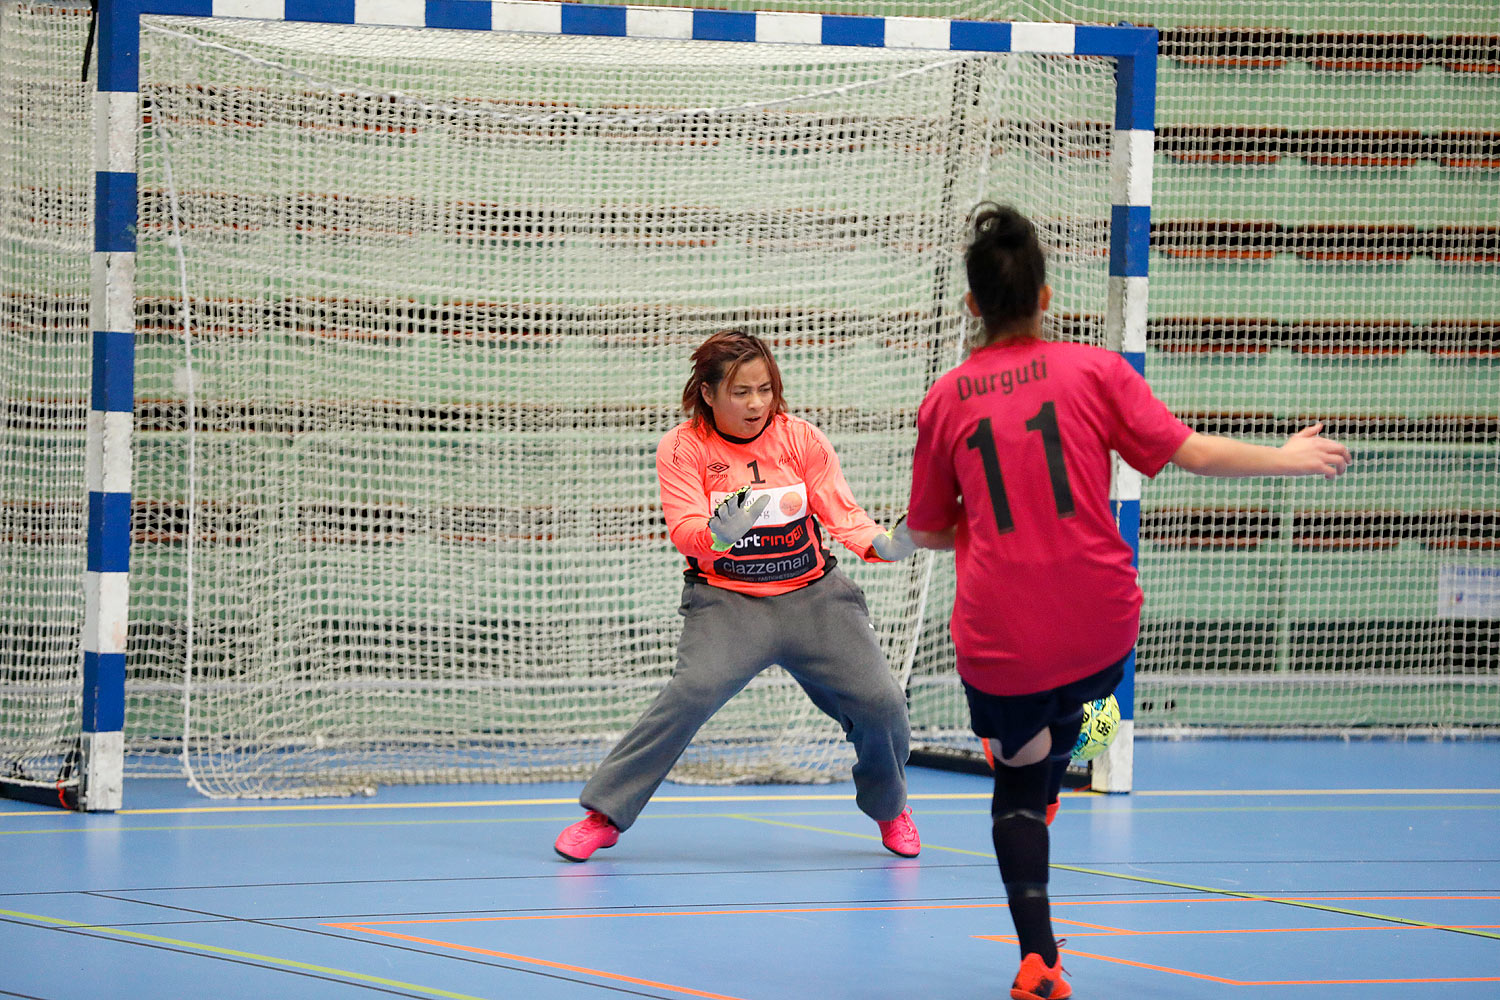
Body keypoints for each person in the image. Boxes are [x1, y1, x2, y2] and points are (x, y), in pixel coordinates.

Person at [904, 204, 1352, 1000]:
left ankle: (1038, 954)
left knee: (1016, 774)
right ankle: (1058, 763)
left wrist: (936, 528)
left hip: (1002, 635)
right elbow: (1191, 453)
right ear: (1047, 299)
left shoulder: (946, 401)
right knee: (1095, 709)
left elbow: (934, 531)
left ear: (972, 307)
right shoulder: (1096, 370)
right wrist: (1286, 457)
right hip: (1101, 623)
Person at [554, 328, 922, 862]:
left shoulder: (801, 438)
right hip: (728, 604)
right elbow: (686, 531)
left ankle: (890, 808)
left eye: (765, 389)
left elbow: (844, 515)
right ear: (708, 393)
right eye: (740, 392)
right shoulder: (683, 448)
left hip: (814, 599)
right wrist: (720, 534)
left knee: (882, 700)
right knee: (690, 694)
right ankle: (604, 815)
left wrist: (886, 545)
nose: (756, 404)